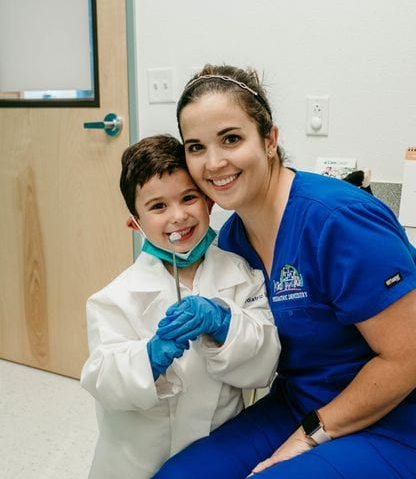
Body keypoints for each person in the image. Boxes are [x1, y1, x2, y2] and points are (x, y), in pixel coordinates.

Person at [153, 66, 416, 478]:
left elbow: (412, 359)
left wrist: (308, 436)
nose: (214, 162)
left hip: (415, 426)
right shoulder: (234, 239)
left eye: (232, 139)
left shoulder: (340, 221)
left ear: (270, 140)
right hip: (301, 403)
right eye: (196, 147)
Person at [80, 134, 280, 479]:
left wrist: (223, 323)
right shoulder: (113, 299)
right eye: (158, 206)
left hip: (216, 450)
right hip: (137, 459)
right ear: (135, 223)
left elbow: (264, 363)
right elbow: (103, 380)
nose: (178, 216)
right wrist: (150, 356)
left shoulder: (244, 275)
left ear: (209, 203)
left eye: (189, 198)